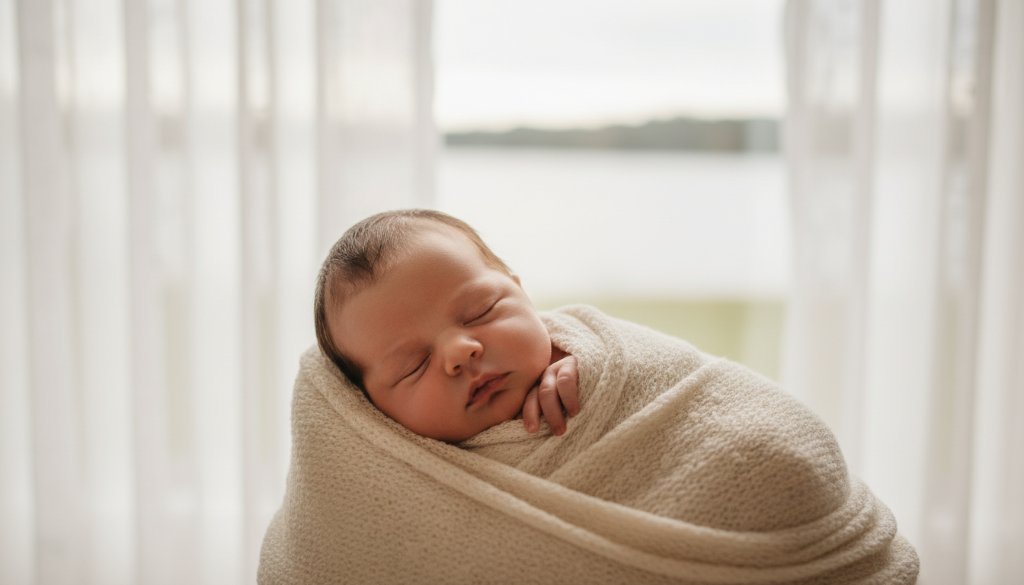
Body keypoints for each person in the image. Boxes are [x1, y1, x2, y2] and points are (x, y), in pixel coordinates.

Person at [313, 208, 580, 443]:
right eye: (415, 365)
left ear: (521, 292)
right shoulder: (389, 473)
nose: (459, 352)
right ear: (371, 408)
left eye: (481, 312)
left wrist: (586, 367)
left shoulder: (588, 365)